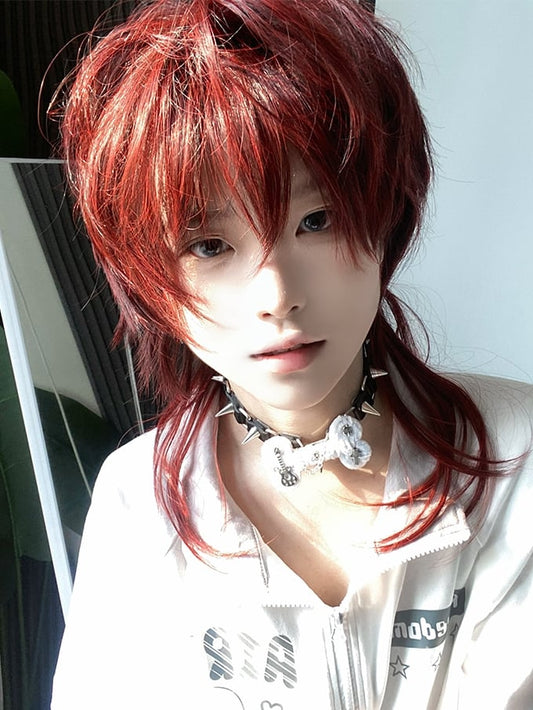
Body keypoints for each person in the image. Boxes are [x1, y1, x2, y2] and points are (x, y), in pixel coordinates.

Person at [50, 1, 533, 708]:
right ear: (150, 279)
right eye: (209, 245)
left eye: (317, 219)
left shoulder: (519, 455)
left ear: (386, 217)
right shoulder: (136, 505)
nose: (276, 294)